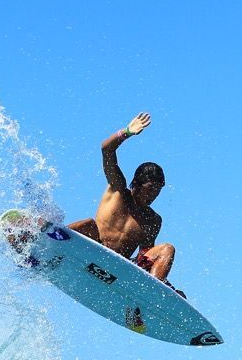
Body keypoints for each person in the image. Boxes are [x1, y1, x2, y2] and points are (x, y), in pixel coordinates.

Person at [68, 112, 178, 286]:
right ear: (136, 183)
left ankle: (152, 292)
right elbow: (106, 149)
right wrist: (126, 132)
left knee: (167, 249)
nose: (153, 196)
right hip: (92, 252)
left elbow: (146, 256)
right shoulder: (118, 190)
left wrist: (164, 280)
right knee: (88, 224)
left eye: (158, 191)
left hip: (119, 270)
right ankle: (45, 240)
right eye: (150, 190)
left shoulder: (153, 220)